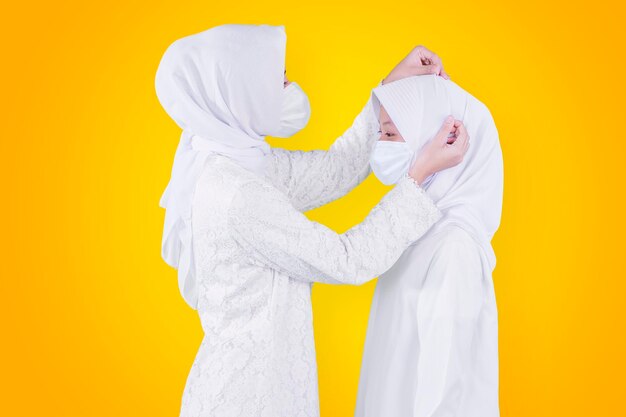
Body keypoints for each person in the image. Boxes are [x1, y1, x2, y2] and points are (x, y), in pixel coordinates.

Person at [155, 24, 468, 417]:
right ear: (236, 88)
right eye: (276, 74)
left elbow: (335, 170)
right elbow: (347, 260)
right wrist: (417, 177)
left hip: (258, 391)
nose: (287, 81)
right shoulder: (236, 193)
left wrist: (388, 91)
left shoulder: (239, 164)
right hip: (247, 401)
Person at [355, 74, 503, 417]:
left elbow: (448, 393)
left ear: (444, 138)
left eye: (390, 134)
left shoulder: (455, 248)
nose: (381, 145)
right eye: (380, 133)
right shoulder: (415, 232)